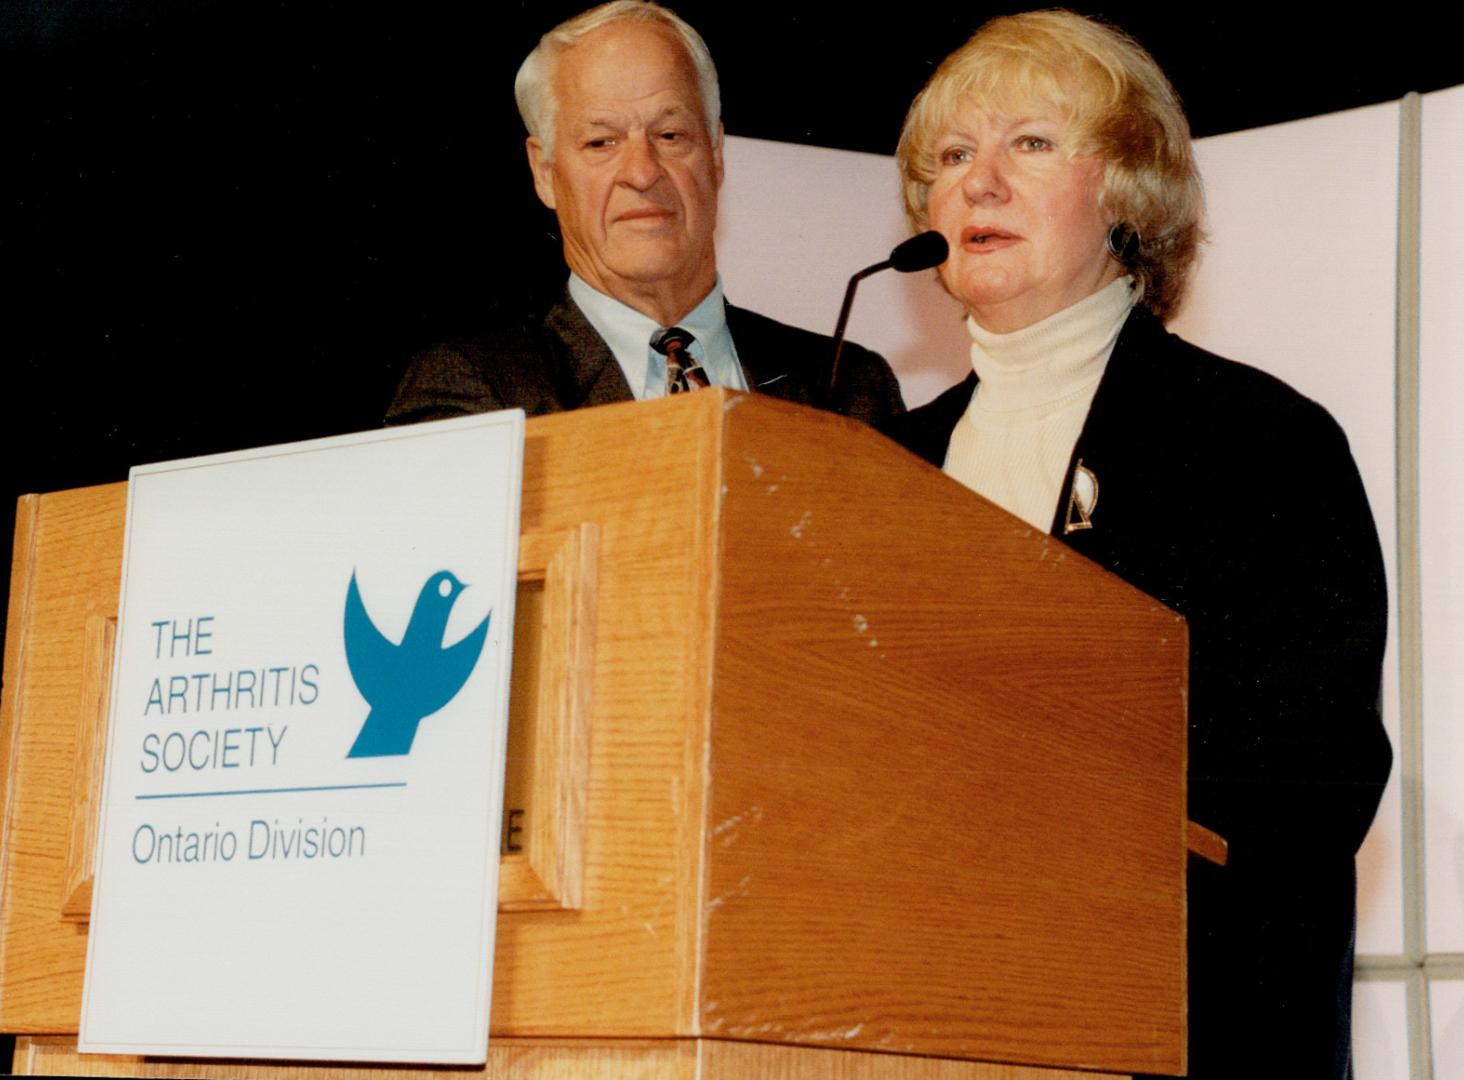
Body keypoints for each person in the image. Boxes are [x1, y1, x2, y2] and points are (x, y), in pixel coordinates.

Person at [880, 12, 1390, 1078]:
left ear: (1128, 191)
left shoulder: (1258, 443)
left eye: (1029, 143)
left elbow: (1309, 783)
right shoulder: (883, 472)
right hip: (921, 1015)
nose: (978, 183)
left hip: (1185, 1023)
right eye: (952, 155)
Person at [387, 1, 902, 426]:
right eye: (601, 141)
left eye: (670, 135)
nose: (642, 171)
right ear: (544, 173)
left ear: (717, 155)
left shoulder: (850, 386)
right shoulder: (481, 392)